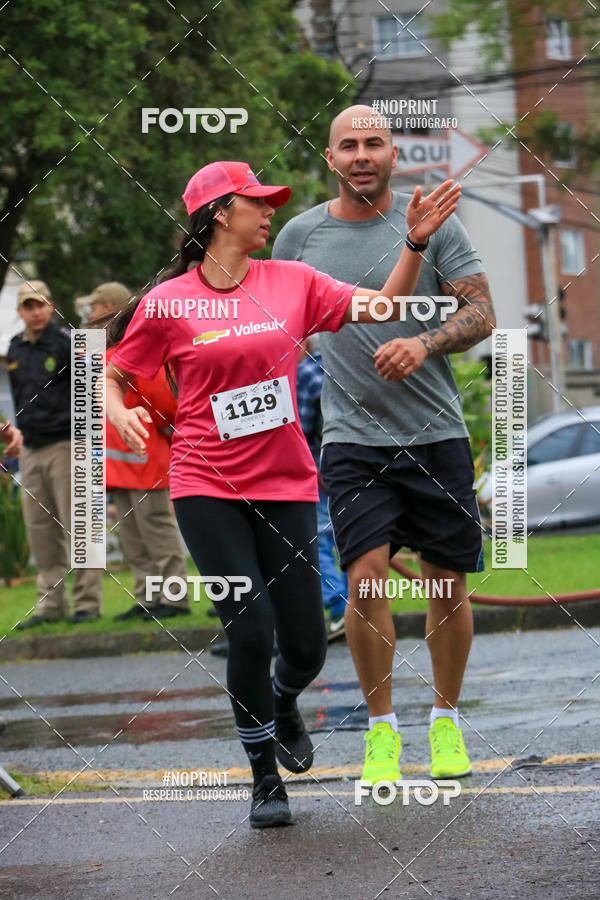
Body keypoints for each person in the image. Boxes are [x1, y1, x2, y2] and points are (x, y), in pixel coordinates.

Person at [105, 160, 460, 827]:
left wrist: (412, 245)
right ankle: (264, 776)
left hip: (285, 483)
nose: (271, 213)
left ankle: (283, 695)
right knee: (250, 626)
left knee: (303, 643)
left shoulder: (292, 282)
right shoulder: (169, 303)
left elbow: (382, 306)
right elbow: (111, 370)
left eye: (272, 204)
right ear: (217, 214)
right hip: (205, 483)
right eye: (257, 204)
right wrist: (118, 409)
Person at [273, 105, 496, 785]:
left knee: (446, 580)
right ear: (330, 158)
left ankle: (446, 721)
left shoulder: (434, 222)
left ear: (393, 154)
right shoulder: (298, 236)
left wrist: (424, 341)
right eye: (350, 144)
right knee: (365, 579)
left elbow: (483, 312)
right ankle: (380, 732)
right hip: (351, 441)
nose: (363, 153)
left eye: (375, 142)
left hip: (436, 436)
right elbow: (277, 327)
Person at [78, 281, 190, 620]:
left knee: (156, 530)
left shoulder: (131, 347)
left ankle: (174, 598)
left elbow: (162, 403)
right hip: (118, 462)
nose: (90, 313)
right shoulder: (100, 349)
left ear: (110, 307)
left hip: (144, 456)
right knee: (134, 537)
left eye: (94, 306)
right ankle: (149, 598)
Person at [7, 280, 103, 627]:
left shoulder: (69, 342)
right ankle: (50, 606)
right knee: (40, 530)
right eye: (28, 306)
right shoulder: (14, 348)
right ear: (20, 311)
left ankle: (88, 604)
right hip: (31, 449)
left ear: (51, 305)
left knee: (81, 526)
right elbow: (20, 400)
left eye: (41, 305)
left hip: (68, 444)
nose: (35, 312)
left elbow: (95, 392)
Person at [296, 336, 347, 641]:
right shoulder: (355, 363)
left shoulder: (307, 373)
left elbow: (300, 429)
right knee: (355, 541)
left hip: (321, 470)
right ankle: (358, 607)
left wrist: (311, 469)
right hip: (362, 467)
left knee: (319, 539)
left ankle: (338, 609)